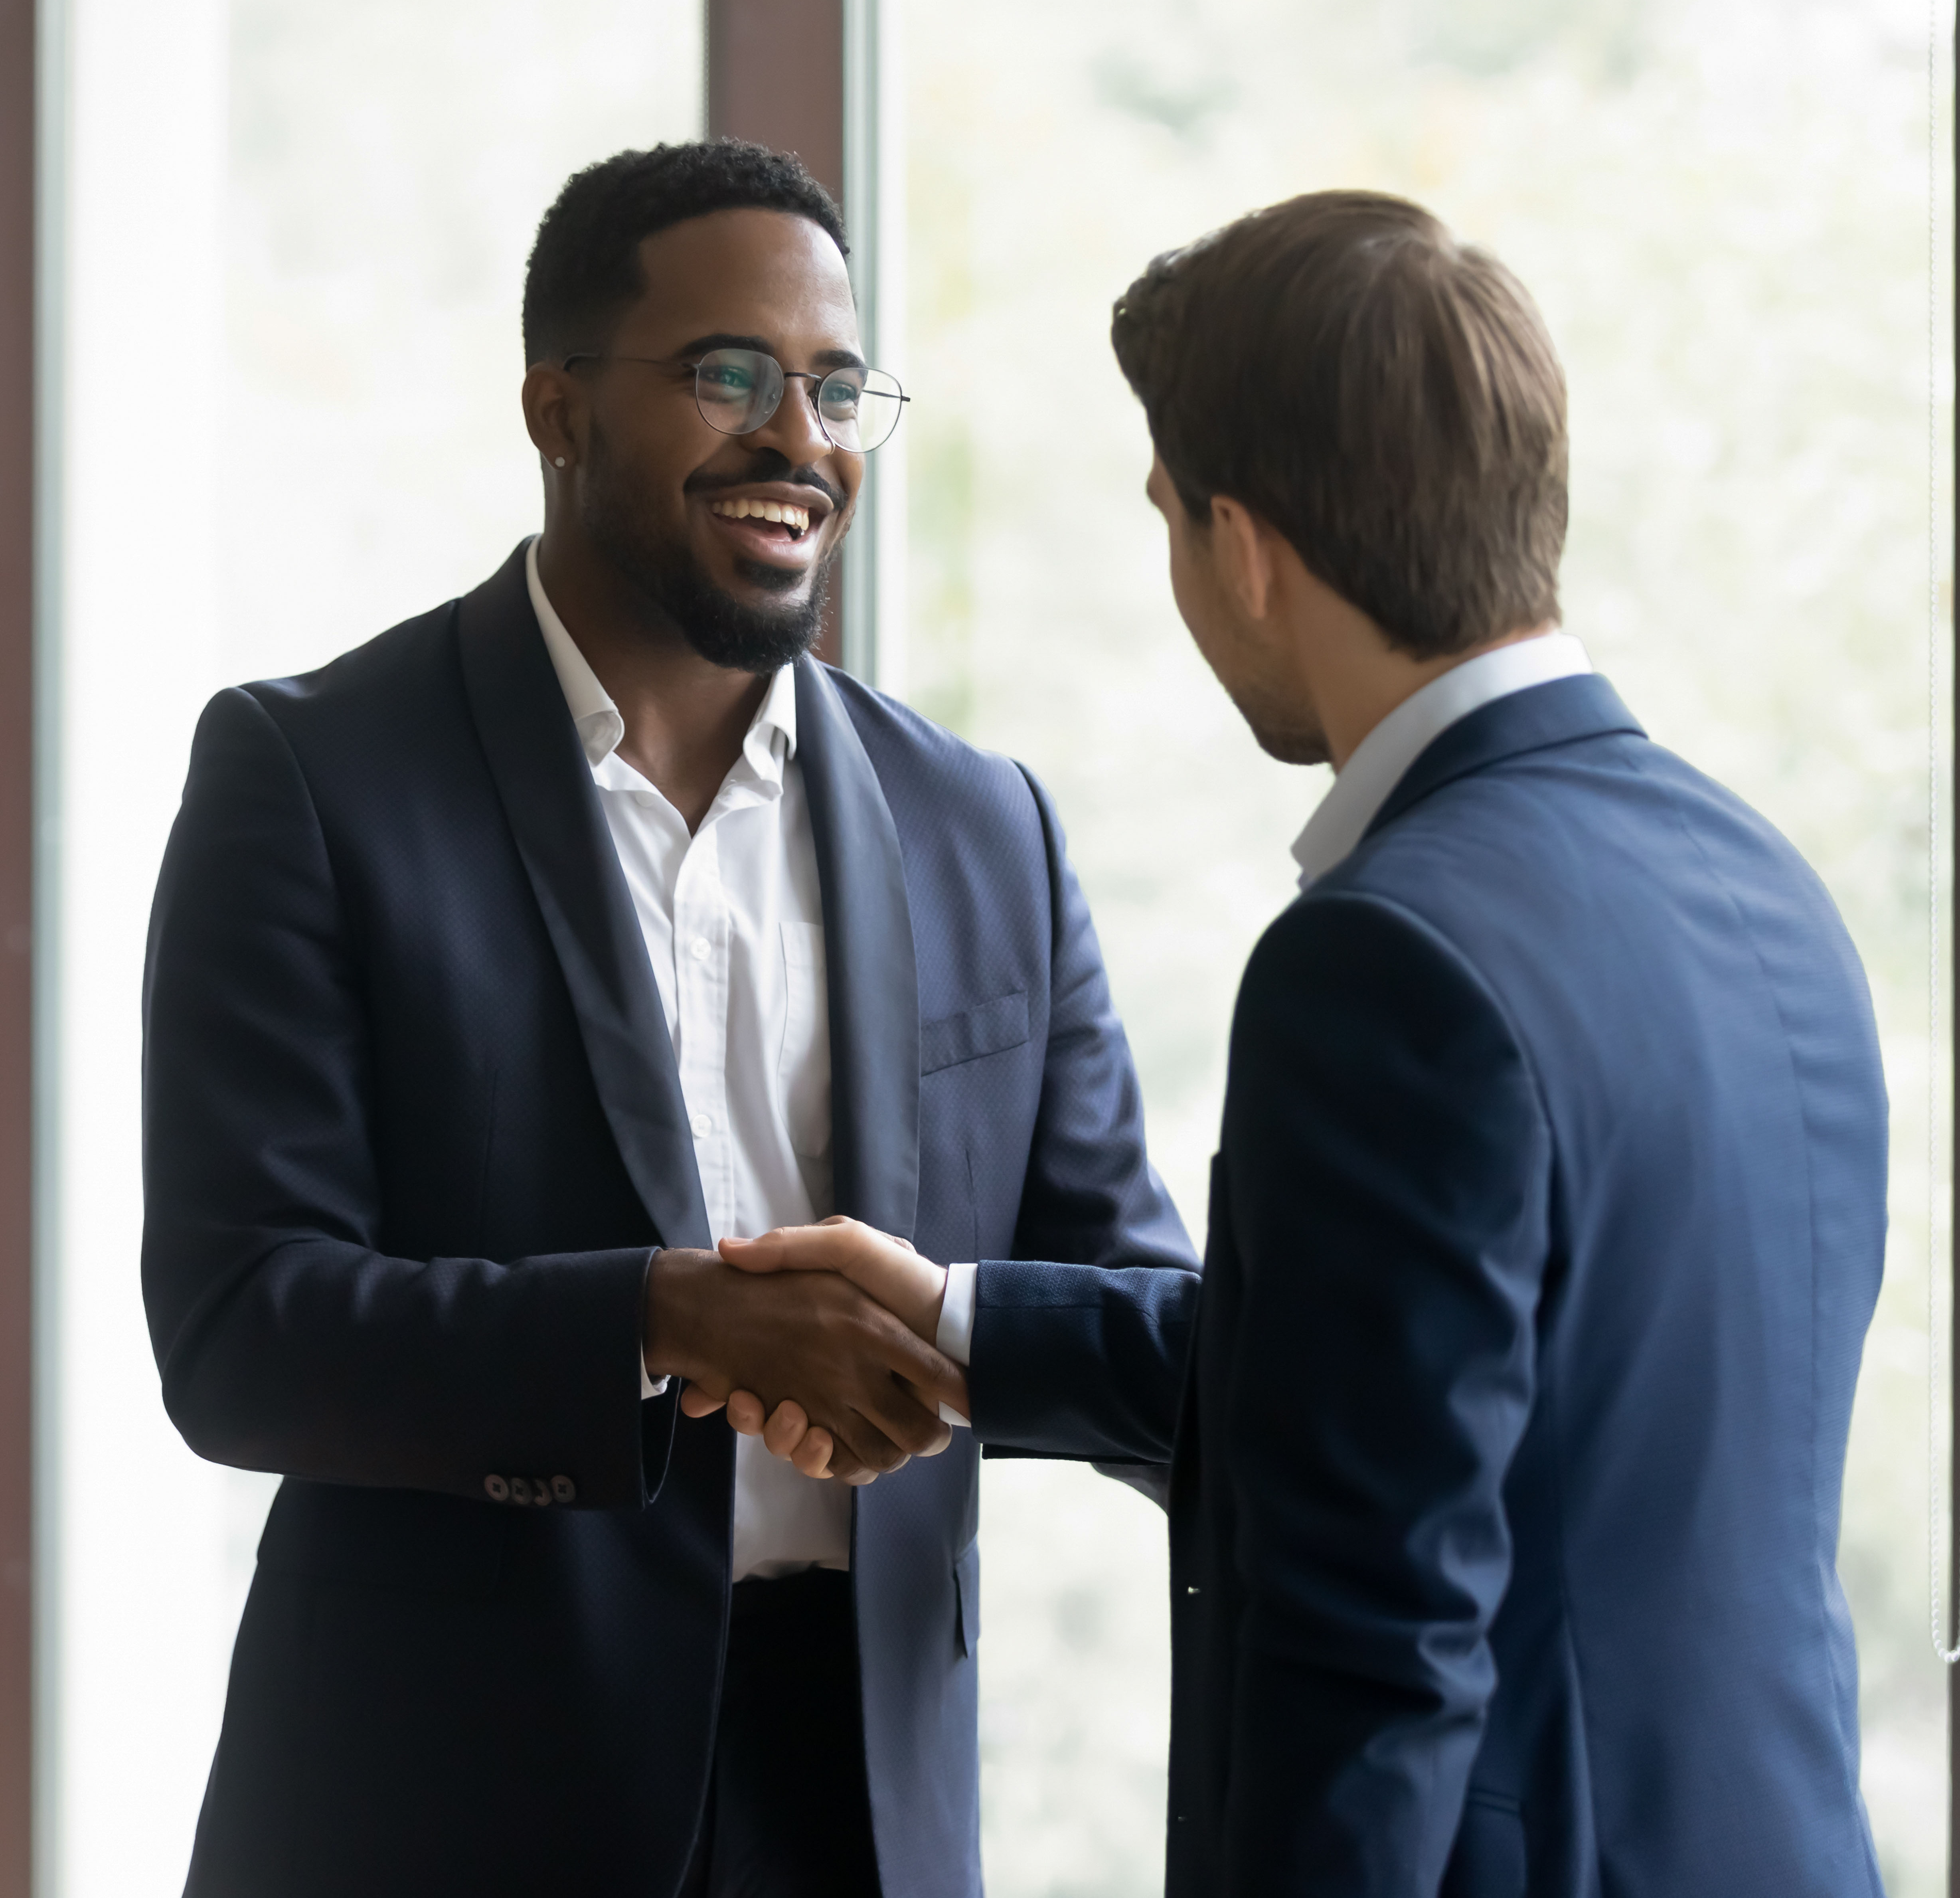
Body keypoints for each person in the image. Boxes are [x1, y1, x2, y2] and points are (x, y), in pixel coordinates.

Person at [748, 190, 1888, 1896]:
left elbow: (1374, 1649)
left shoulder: (1382, 957)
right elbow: (1446, 1386)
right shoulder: (1765, 884)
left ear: (1247, 543)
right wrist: (968, 1326)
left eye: (1166, 523)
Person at [140, 138, 1197, 1898]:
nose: (802, 437)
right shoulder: (310, 778)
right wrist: (662, 1319)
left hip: (863, 1804)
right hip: (441, 1806)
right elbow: (242, 1328)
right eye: (731, 375)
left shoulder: (984, 827)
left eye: (839, 387)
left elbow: (1142, 1316)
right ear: (559, 407)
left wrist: (956, 1326)